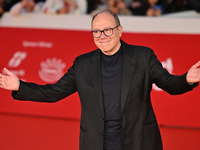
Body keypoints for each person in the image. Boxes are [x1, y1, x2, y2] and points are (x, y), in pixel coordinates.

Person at [0, 9, 200, 150]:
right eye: (96, 31)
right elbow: (54, 92)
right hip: (98, 143)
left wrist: (187, 79)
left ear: (119, 31)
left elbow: (169, 84)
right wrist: (19, 86)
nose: (101, 35)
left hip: (139, 141)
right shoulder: (83, 64)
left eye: (107, 30)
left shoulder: (143, 57)